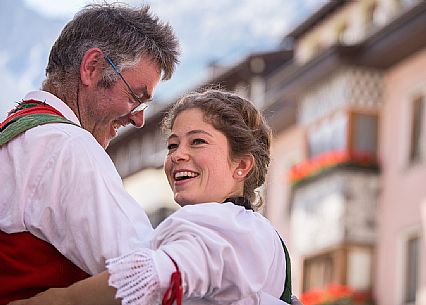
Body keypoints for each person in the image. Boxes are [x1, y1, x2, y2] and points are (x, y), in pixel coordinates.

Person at [10, 89, 299, 305]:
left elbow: (151, 276)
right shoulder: (254, 231)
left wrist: (54, 300)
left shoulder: (220, 224)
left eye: (197, 141)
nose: (178, 155)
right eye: (173, 145)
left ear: (241, 165)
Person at [0, 3, 179, 303]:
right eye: (136, 97)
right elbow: (148, 277)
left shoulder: (14, 134)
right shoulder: (69, 146)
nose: (139, 119)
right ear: (92, 67)